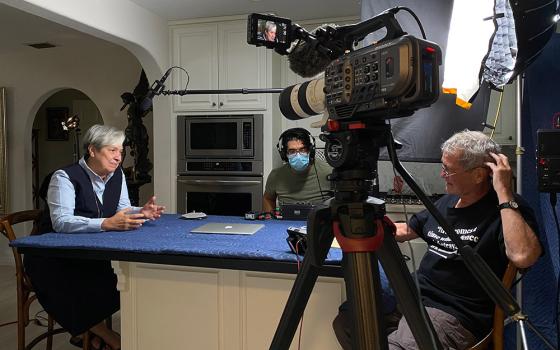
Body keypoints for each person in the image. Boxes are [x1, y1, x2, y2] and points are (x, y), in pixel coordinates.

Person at [333, 130, 542, 349]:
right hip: (413, 296)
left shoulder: (509, 210)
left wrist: (505, 195)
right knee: (347, 321)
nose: (442, 175)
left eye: (448, 170)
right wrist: (360, 225)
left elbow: (523, 256)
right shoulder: (449, 200)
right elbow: (407, 230)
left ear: (479, 175)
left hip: (454, 312)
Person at [24, 124, 165, 350]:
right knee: (80, 282)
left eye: (121, 151)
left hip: (87, 252)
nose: (119, 157)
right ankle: (108, 337)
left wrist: (142, 212)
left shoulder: (116, 175)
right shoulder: (64, 177)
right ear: (92, 150)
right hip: (49, 255)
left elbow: (123, 208)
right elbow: (61, 222)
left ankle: (84, 332)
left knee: (121, 278)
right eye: (112, 150)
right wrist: (107, 223)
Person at [263, 128, 332, 212]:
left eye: (303, 150)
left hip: (318, 223)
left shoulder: (328, 172)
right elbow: (268, 198)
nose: (298, 155)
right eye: (292, 151)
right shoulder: (276, 175)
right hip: (286, 223)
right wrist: (270, 220)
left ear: (311, 150)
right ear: (284, 154)